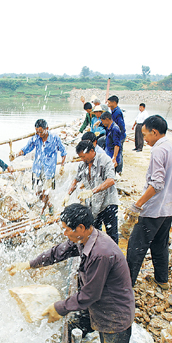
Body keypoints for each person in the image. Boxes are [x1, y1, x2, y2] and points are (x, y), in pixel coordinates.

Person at [7, 204, 135, 343]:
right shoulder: (84, 239)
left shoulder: (100, 253)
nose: (64, 233)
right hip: (98, 306)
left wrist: (58, 307)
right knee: (75, 324)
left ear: (82, 227)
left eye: (67, 229)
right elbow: (58, 252)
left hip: (114, 314)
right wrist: (29, 264)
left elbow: (89, 295)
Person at [126, 115, 172, 290]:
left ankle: (126, 285)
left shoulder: (159, 150)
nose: (144, 140)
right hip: (168, 209)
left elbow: (157, 184)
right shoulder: (170, 145)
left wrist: (138, 204)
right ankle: (162, 280)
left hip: (154, 209)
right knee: (160, 245)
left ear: (154, 132)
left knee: (135, 247)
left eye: (145, 135)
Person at [64, 140, 119, 243]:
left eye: (84, 156)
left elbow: (111, 180)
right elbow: (76, 180)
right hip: (94, 205)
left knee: (111, 235)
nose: (83, 159)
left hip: (108, 203)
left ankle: (114, 257)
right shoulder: (82, 165)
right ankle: (97, 256)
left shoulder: (105, 160)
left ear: (92, 151)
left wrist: (93, 191)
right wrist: (68, 194)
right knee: (94, 234)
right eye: (81, 157)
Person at [10, 119, 66, 218]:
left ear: (47, 129)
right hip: (37, 169)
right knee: (38, 192)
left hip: (49, 170)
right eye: (37, 131)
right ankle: (50, 205)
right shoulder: (35, 139)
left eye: (41, 131)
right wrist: (15, 155)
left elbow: (63, 152)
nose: (39, 134)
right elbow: (25, 149)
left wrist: (62, 165)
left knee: (46, 192)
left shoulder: (55, 138)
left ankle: (42, 212)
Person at [107, 96, 126, 173]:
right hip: (115, 134)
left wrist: (118, 135)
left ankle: (119, 170)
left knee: (118, 152)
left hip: (119, 135)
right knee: (115, 151)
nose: (108, 104)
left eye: (109, 103)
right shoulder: (113, 111)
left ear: (114, 102)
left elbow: (121, 125)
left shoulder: (117, 112)